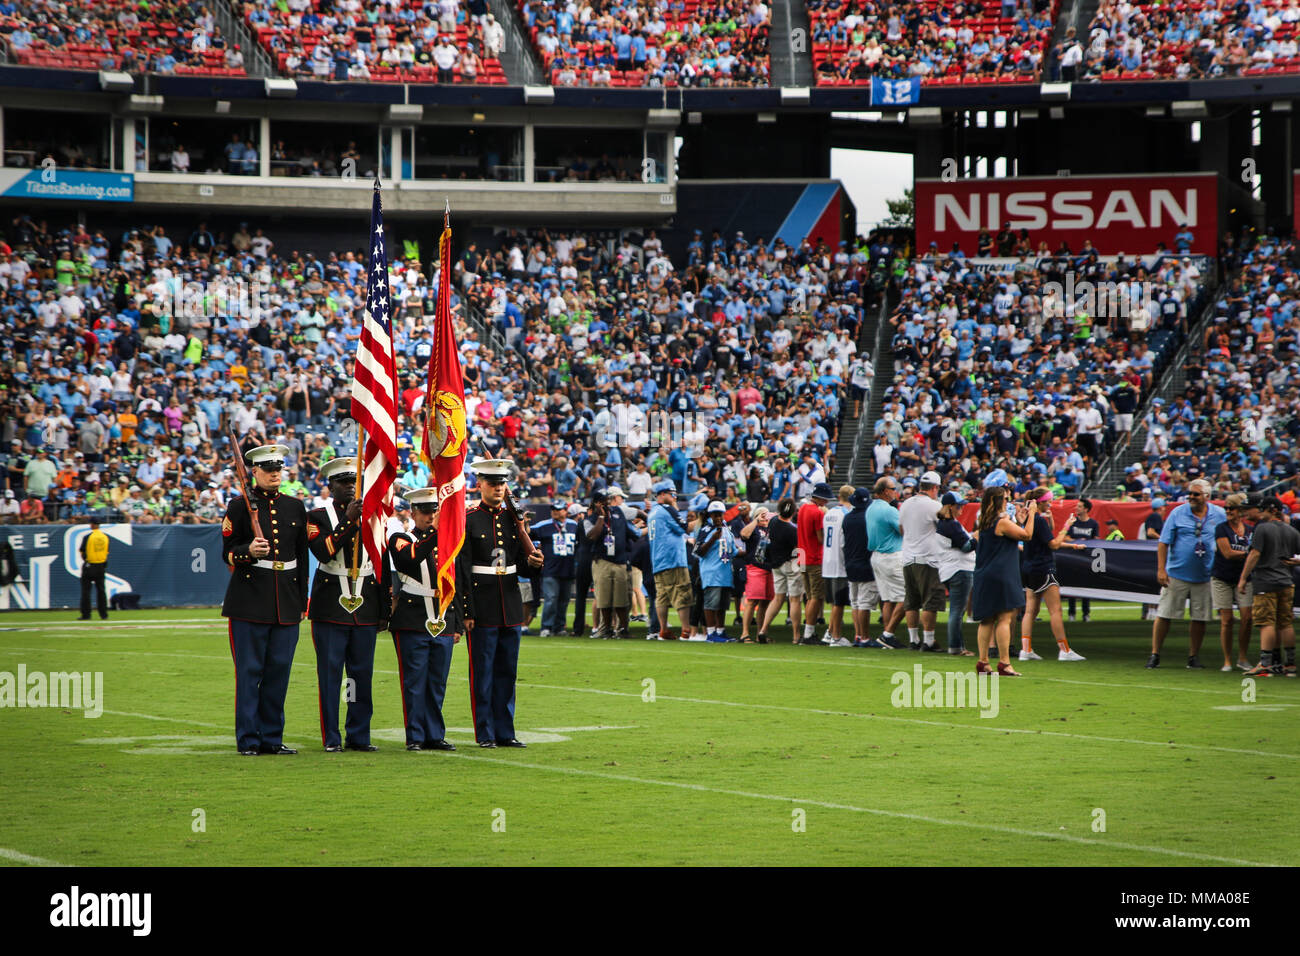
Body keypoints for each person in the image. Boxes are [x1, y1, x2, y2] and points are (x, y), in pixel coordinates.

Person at [221, 443, 309, 755]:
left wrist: (301, 602)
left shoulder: (295, 507)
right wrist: (247, 551)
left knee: (278, 673)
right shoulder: (239, 506)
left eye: (278, 469)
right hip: (249, 602)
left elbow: (301, 558)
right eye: (268, 469)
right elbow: (227, 553)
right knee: (249, 673)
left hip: (285, 602)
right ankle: (248, 740)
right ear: (254, 471)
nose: (274, 474)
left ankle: (272, 738)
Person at [305, 457, 388, 752]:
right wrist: (348, 522)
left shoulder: (373, 513)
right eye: (343, 482)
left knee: (361, 674)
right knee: (330, 674)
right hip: (330, 603)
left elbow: (382, 561)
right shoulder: (317, 516)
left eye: (353, 481)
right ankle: (331, 736)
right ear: (330, 486)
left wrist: (384, 608)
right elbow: (324, 552)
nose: (350, 487)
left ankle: (359, 735)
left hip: (365, 601)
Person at [464, 459, 544, 747]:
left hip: (509, 603)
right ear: (480, 485)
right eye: (492, 483)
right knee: (483, 673)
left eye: (501, 483)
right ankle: (485, 733)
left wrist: (533, 563)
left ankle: (505, 732)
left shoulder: (514, 518)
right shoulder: (470, 518)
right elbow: (463, 569)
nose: (498, 488)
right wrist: (467, 609)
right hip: (482, 605)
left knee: (507, 673)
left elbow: (519, 565)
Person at [389, 487, 471, 751]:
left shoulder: (448, 541)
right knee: (414, 682)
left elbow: (455, 582)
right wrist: (436, 532)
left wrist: (457, 623)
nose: (431, 516)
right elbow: (408, 560)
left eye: (435, 511)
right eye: (425, 512)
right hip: (413, 617)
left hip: (443, 616)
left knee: (437, 681)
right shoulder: (401, 537)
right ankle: (415, 735)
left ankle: (434, 734)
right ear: (413, 512)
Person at [1146, 479, 1226, 669]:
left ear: (1207, 496)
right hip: (1177, 573)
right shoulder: (1177, 513)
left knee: (1200, 618)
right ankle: (1155, 654)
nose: (1191, 496)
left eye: (1196, 494)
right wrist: (1161, 569)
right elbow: (1163, 542)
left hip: (1205, 575)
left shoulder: (1219, 514)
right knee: (1164, 614)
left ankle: (1193, 656)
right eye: (1190, 493)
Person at [971, 481, 1035, 676]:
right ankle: (1004, 662)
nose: (1008, 501)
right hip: (1001, 574)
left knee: (986, 620)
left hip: (984, 573)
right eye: (1006, 498)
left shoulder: (984, 522)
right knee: (1005, 618)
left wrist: (1018, 519)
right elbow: (1027, 535)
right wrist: (1031, 513)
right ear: (997, 501)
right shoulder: (1002, 522)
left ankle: (983, 662)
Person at [1017, 490, 1088, 662]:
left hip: (1028, 569)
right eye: (1048, 501)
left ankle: (1025, 650)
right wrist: (1067, 525)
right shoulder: (1039, 521)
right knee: (1055, 610)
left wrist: (1072, 546)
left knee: (1030, 611)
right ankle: (1064, 650)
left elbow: (1046, 541)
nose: (1050, 503)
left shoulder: (1029, 520)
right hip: (1043, 569)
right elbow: (1054, 544)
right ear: (1040, 502)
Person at [1239, 496, 1300, 678]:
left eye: (1263, 509)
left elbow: (1255, 554)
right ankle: (1289, 664)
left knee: (1266, 622)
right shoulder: (1292, 531)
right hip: (1286, 581)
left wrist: (1243, 578)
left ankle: (1266, 664)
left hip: (1266, 580)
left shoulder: (1262, 528)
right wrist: (1294, 562)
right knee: (1285, 623)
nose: (1260, 512)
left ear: (1271, 510)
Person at [899, 470, 946, 651]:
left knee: (911, 601)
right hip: (927, 558)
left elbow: (901, 529)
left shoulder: (905, 504)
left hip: (908, 556)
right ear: (934, 488)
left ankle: (913, 639)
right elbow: (942, 529)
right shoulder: (934, 506)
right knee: (930, 601)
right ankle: (928, 640)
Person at [585, 490, 638, 639]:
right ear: (596, 503)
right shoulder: (590, 518)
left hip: (620, 561)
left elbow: (632, 533)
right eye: (602, 500)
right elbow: (592, 536)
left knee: (622, 600)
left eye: (607, 500)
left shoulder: (618, 513)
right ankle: (606, 629)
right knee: (604, 600)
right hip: (602, 561)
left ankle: (623, 629)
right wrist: (601, 516)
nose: (606, 503)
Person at [1211, 492, 1253, 673]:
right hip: (1222, 577)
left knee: (1247, 618)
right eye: (1226, 508)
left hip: (1244, 576)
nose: (1228, 511)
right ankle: (1227, 659)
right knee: (1227, 620)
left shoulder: (1250, 531)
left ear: (1240, 511)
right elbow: (1227, 553)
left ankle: (1242, 657)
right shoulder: (1221, 528)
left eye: (1232, 508)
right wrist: (1249, 555)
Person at [649, 479, 695, 640]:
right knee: (682, 592)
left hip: (658, 561)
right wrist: (704, 518)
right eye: (672, 493)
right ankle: (686, 630)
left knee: (662, 596)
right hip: (673, 559)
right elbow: (686, 528)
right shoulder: (667, 509)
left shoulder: (653, 512)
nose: (675, 496)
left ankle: (663, 630)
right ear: (662, 494)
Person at [842, 486, 884, 647]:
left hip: (850, 563)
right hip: (866, 564)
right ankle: (865, 638)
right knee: (864, 604)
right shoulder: (869, 518)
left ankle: (858, 635)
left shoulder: (847, 518)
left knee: (855, 602)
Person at [867, 476, 906, 647]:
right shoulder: (889, 510)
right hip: (891, 556)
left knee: (888, 599)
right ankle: (887, 634)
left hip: (877, 556)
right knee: (908, 596)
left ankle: (887, 636)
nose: (895, 491)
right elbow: (903, 529)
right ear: (885, 491)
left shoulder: (871, 507)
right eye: (892, 488)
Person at [935, 491, 975, 656]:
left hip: (950, 569)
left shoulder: (944, 524)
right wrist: (977, 538)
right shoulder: (952, 524)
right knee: (957, 611)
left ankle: (957, 646)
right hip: (959, 569)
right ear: (950, 507)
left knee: (956, 611)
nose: (962, 509)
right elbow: (966, 546)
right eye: (959, 506)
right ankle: (956, 647)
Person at [757, 498, 802, 643]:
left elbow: (773, 515)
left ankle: (763, 629)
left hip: (775, 565)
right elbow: (798, 549)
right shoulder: (792, 530)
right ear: (793, 512)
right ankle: (796, 636)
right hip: (790, 564)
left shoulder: (774, 522)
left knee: (777, 599)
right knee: (794, 600)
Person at [531, 501, 577, 637]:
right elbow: (528, 533)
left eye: (558, 509)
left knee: (564, 600)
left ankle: (559, 627)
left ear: (565, 511)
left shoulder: (574, 525)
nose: (555, 512)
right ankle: (546, 627)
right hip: (550, 569)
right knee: (551, 599)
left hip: (568, 569)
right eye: (553, 509)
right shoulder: (544, 525)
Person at [695, 500, 736, 642]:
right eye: (715, 515)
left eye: (720, 515)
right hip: (711, 573)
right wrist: (712, 539)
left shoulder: (726, 528)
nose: (718, 518)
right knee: (711, 603)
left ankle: (720, 631)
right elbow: (698, 551)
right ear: (710, 516)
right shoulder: (705, 530)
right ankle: (711, 633)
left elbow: (733, 550)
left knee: (722, 605)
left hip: (725, 572)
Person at [795, 483, 831, 644]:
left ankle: (808, 632)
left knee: (810, 596)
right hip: (814, 558)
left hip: (802, 556)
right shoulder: (817, 513)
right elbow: (821, 538)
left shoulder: (803, 508)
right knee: (816, 597)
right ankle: (809, 633)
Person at [819, 485, 853, 646]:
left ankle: (829, 632)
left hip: (827, 561)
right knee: (839, 602)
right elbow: (845, 541)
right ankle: (836, 636)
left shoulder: (829, 513)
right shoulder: (847, 514)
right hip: (840, 562)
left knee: (834, 602)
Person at [737, 506, 774, 642]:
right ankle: (745, 633)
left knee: (765, 602)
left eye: (767, 515)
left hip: (769, 568)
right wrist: (756, 521)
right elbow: (744, 535)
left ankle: (761, 633)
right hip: (755, 567)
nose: (765, 518)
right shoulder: (753, 528)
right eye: (762, 515)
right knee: (752, 601)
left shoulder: (771, 528)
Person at [1065, 499, 1100, 621]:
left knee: (1086, 586)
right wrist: (1077, 542)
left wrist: (1087, 542)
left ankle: (1086, 613)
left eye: (1079, 506)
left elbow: (1096, 540)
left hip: (1086, 559)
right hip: (1073, 557)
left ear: (1086, 509)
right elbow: (1066, 537)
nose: (1076, 508)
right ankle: (1071, 613)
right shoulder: (1073, 522)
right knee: (1072, 586)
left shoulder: (1093, 524)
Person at [78, 517, 110, 621]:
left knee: (86, 591)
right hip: (101, 566)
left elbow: (82, 552)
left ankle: (86, 614)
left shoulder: (88, 537)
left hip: (89, 565)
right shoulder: (105, 537)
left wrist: (87, 559)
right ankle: (103, 614)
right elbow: (107, 552)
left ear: (92, 525)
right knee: (101, 591)